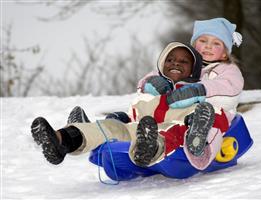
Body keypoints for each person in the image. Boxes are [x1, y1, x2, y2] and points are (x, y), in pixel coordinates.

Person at [31, 42, 214, 167]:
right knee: (109, 127)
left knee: (167, 133)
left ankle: (147, 150)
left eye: (183, 61)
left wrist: (195, 124)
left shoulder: (196, 94)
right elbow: (136, 115)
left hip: (170, 134)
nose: (175, 63)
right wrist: (123, 118)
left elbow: (214, 118)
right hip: (137, 129)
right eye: (170, 59)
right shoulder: (151, 90)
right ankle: (62, 140)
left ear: (194, 70)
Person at [133, 17, 244, 170]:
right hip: (178, 116)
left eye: (216, 43)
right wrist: (152, 83)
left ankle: (201, 145)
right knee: (170, 128)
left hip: (212, 115)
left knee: (212, 118)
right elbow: (153, 75)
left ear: (225, 54)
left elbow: (230, 88)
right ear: (194, 45)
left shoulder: (228, 69)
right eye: (203, 41)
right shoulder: (183, 62)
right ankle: (152, 147)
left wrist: (200, 90)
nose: (208, 46)